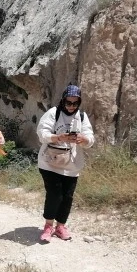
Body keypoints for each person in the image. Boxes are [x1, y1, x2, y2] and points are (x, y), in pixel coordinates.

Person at [36, 84, 95, 242]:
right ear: (63, 101)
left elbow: (90, 137)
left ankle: (60, 226)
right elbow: (42, 133)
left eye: (75, 103)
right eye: (68, 103)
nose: (71, 106)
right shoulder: (53, 113)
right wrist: (58, 137)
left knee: (67, 196)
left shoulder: (82, 117)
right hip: (49, 162)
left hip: (71, 164)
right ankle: (48, 226)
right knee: (55, 194)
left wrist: (84, 139)